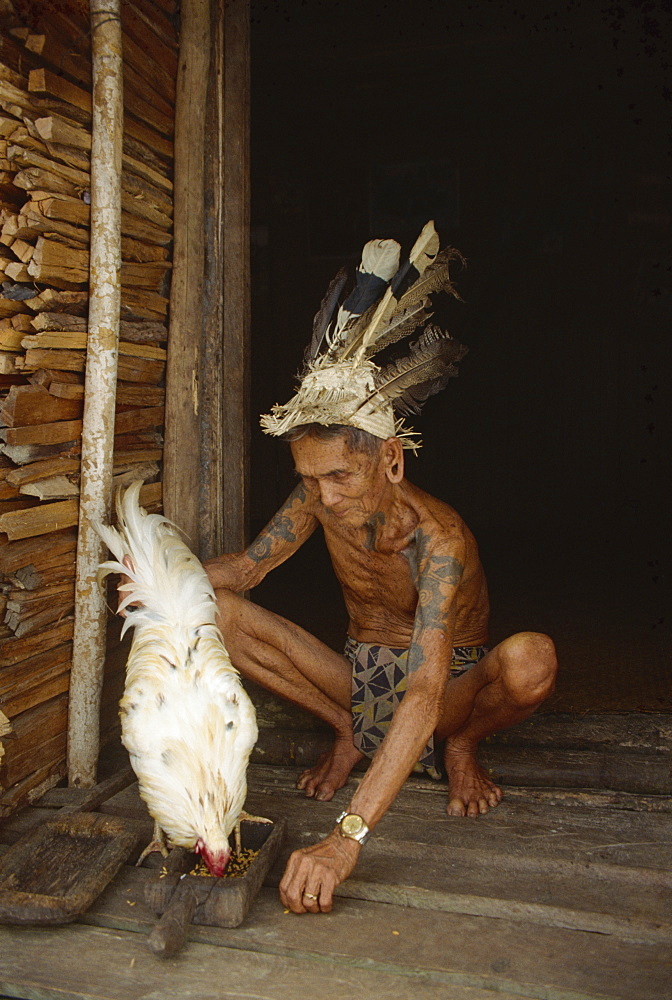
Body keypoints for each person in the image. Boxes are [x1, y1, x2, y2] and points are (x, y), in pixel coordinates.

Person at [204, 221, 558, 915]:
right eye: (310, 478)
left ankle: (461, 749)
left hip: (446, 694)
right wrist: (152, 576)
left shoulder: (440, 542)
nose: (324, 498)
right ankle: (348, 729)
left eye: (339, 476)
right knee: (212, 611)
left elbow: (425, 689)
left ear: (390, 459)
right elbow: (244, 573)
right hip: (358, 679)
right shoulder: (317, 496)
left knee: (531, 660)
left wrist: (347, 837)